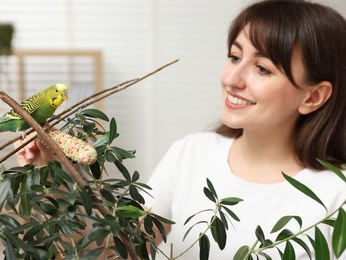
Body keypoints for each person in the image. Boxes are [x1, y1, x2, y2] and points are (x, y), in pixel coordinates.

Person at [17, 0, 346, 259]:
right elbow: (114, 253)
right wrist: (51, 176)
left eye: (262, 68)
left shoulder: (336, 195)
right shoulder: (191, 153)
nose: (232, 79)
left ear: (313, 96)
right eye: (234, 57)